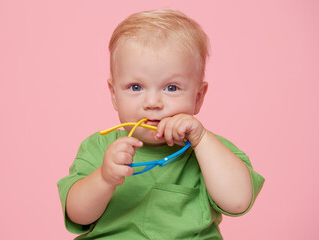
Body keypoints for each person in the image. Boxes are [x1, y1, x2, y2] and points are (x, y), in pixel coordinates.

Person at [57, 9, 264, 239]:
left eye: (171, 88)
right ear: (114, 95)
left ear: (198, 97)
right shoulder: (98, 147)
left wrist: (202, 139)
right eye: (136, 87)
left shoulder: (209, 150)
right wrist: (104, 179)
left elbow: (238, 201)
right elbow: (77, 215)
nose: (153, 103)